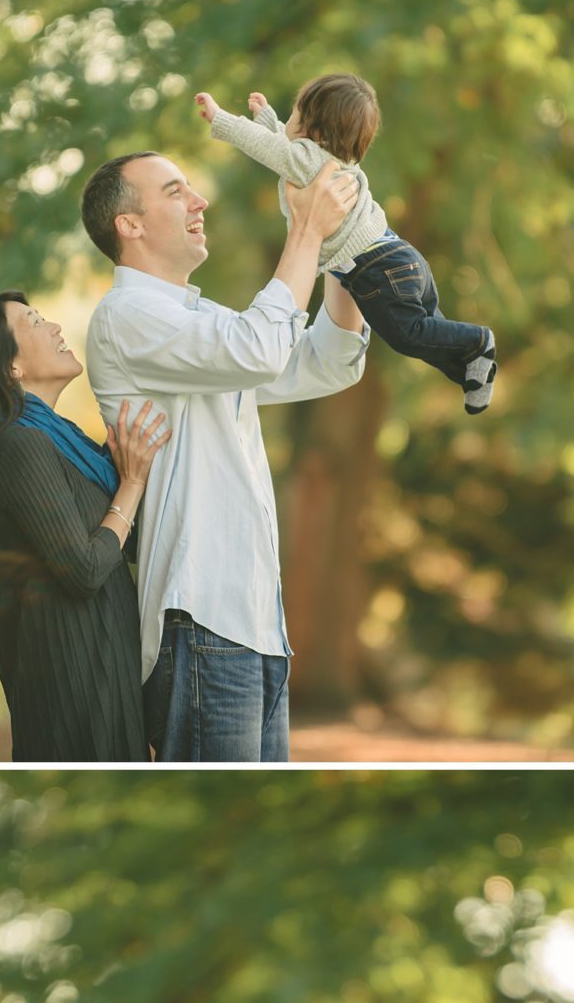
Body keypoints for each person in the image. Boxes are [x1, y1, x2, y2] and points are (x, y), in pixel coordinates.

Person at [81, 146, 367, 762]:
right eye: (175, 191)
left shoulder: (201, 320)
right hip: (200, 618)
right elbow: (256, 349)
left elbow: (325, 362)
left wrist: (340, 245)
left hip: (255, 625)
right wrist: (305, 230)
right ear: (128, 225)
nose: (199, 201)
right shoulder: (125, 316)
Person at [0, 289, 171, 761]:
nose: (53, 326)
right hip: (70, 686)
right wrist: (130, 483)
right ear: (10, 368)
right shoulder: (18, 446)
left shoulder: (63, 443)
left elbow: (119, 546)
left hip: (106, 670)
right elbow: (85, 569)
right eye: (33, 322)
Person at [199, 73, 497, 413]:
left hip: (377, 269)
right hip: (400, 256)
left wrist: (220, 118)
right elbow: (283, 145)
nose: (289, 120)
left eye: (296, 113)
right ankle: (472, 371)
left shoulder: (307, 160)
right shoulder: (330, 159)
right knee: (430, 337)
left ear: (318, 133)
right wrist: (267, 118)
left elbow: (271, 148)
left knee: (408, 335)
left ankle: (479, 341)